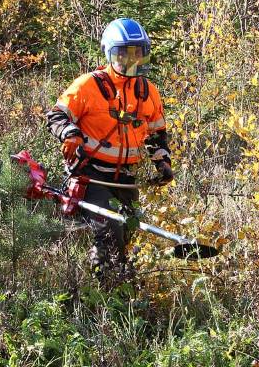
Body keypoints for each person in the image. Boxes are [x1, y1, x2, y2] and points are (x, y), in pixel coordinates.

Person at [46, 18, 173, 283]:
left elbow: (156, 134)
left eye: (137, 53)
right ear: (110, 53)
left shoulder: (148, 91)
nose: (130, 60)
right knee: (108, 229)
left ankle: (124, 288)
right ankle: (103, 286)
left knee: (128, 231)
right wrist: (70, 134)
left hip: (126, 177)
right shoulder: (87, 86)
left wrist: (163, 164)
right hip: (91, 175)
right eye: (124, 54)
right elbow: (56, 116)